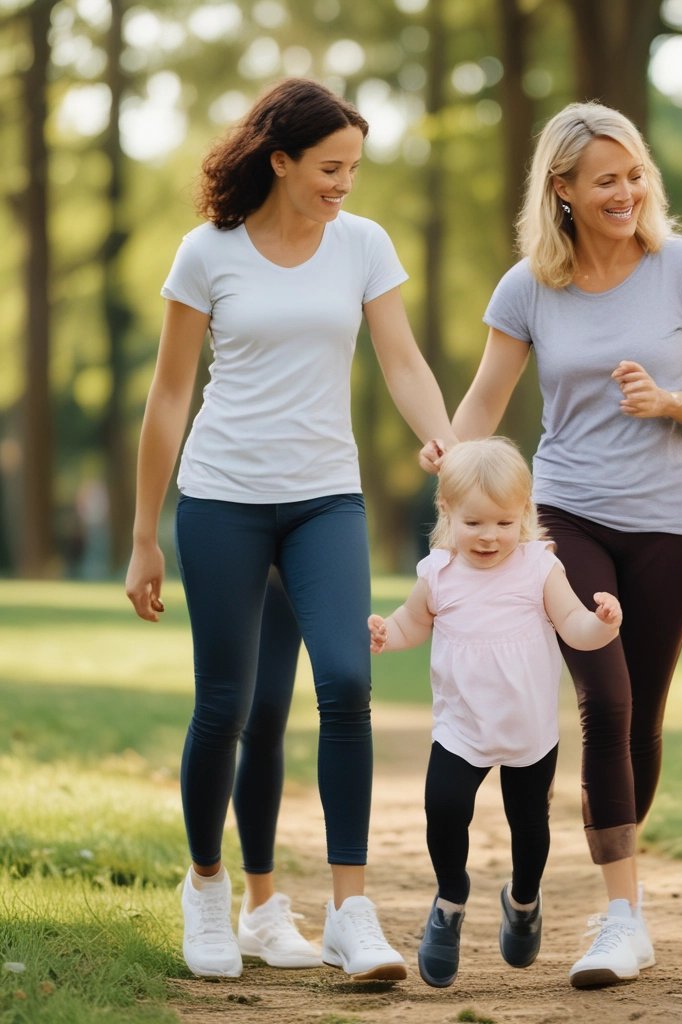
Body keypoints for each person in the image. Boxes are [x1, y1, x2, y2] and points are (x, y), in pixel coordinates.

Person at [124, 78, 457, 981]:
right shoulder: (208, 253)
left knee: (346, 681)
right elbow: (167, 395)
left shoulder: (363, 246)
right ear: (280, 161)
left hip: (323, 499)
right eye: (329, 167)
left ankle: (349, 911)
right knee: (236, 708)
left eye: (354, 167)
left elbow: (401, 356)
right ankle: (214, 893)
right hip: (224, 498)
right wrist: (144, 533)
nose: (345, 183)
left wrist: (448, 443)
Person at [432, 102, 682, 988]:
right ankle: (623, 918)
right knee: (603, 703)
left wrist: (669, 402)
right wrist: (452, 464)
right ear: (561, 190)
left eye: (634, 174)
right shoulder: (529, 285)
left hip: (667, 525)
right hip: (565, 512)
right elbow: (486, 401)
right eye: (605, 179)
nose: (626, 192)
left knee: (640, 718)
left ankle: (606, 885)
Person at [367, 437, 623, 988]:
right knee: (444, 808)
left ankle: (523, 900)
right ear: (447, 513)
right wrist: (388, 633)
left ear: (524, 515)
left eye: (505, 523)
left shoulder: (538, 567)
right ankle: (450, 901)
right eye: (475, 522)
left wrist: (601, 625)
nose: (490, 537)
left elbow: (573, 623)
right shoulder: (438, 573)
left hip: (528, 732)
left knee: (529, 829)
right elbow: (415, 622)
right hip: (461, 728)